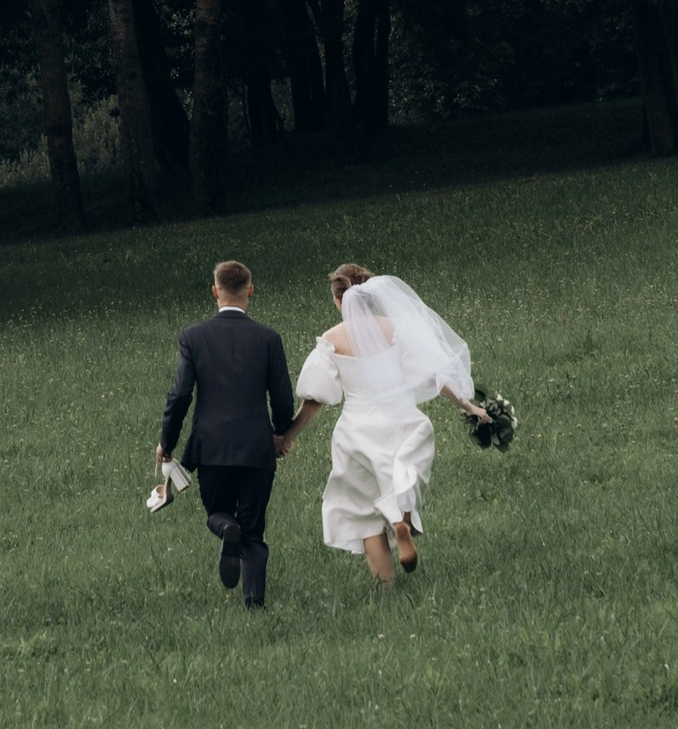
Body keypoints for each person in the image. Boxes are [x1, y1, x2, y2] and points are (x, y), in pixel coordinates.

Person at [282, 261, 475, 590]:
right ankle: (401, 519)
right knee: (401, 479)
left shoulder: (331, 341)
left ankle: (386, 588)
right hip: (402, 421)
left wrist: (287, 437)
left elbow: (315, 399)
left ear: (338, 300)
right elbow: (432, 374)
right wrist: (469, 406)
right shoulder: (396, 330)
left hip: (356, 431)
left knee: (362, 513)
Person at [150, 258, 296, 611]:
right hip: (256, 448)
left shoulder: (193, 337)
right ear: (250, 290)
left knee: (217, 511)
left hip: (211, 447)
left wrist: (166, 443)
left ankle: (226, 528)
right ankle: (254, 603)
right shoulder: (268, 339)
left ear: (215, 291)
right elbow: (281, 397)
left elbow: (180, 394)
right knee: (254, 528)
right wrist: (280, 435)